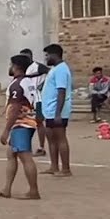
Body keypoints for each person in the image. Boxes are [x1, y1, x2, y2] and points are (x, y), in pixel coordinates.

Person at [0, 54, 41, 200]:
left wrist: (6, 130)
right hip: (27, 122)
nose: (10, 67)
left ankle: (33, 191)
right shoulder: (28, 82)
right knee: (11, 154)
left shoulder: (17, 84)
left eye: (11, 65)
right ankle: (7, 188)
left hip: (21, 123)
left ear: (16, 66)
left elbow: (15, 108)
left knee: (25, 156)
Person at [41, 44, 73, 177]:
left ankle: (66, 169)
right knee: (51, 138)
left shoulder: (61, 70)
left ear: (54, 55)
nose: (46, 58)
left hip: (57, 110)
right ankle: (54, 166)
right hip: (50, 110)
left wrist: (58, 113)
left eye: (47, 55)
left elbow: (61, 91)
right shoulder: (55, 69)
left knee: (60, 138)